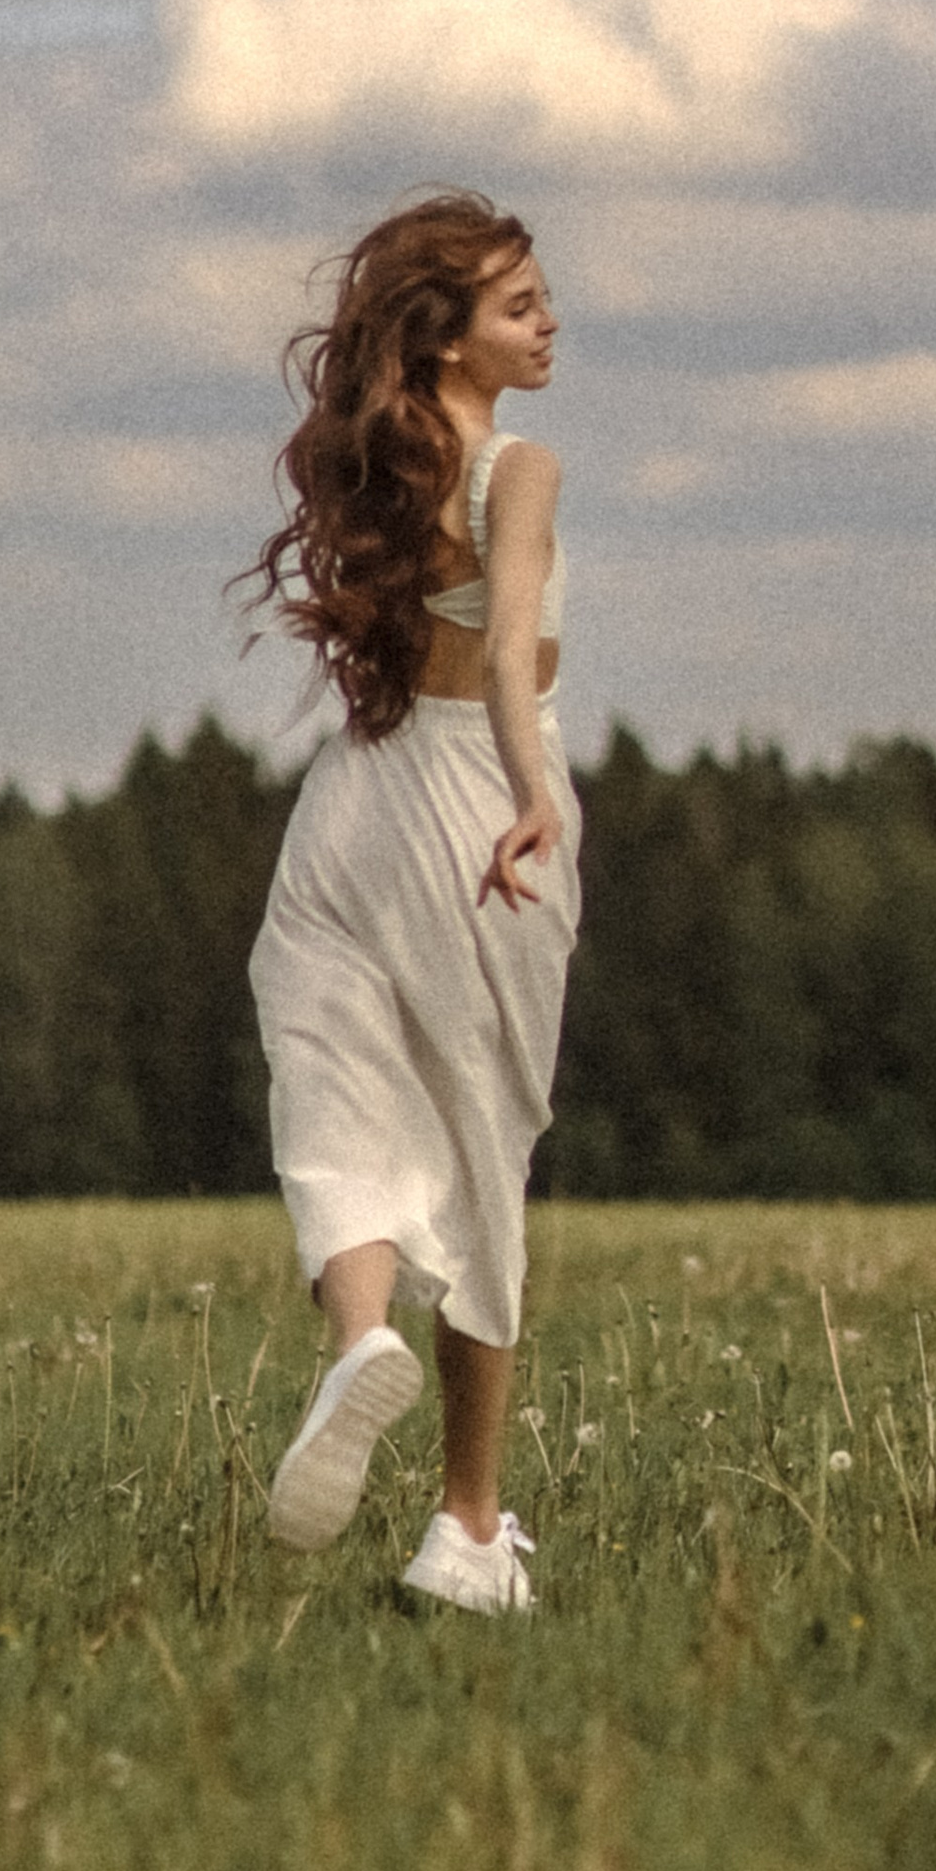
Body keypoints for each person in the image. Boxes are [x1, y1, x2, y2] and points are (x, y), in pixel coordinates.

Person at [241, 191, 578, 1615]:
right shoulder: (518, 468)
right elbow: (508, 656)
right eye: (519, 305)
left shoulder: (369, 473)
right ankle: (469, 1526)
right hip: (465, 807)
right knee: (482, 1142)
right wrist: (533, 797)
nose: (550, 319)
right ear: (446, 338)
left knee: (332, 1074)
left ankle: (357, 1336)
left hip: (349, 809)